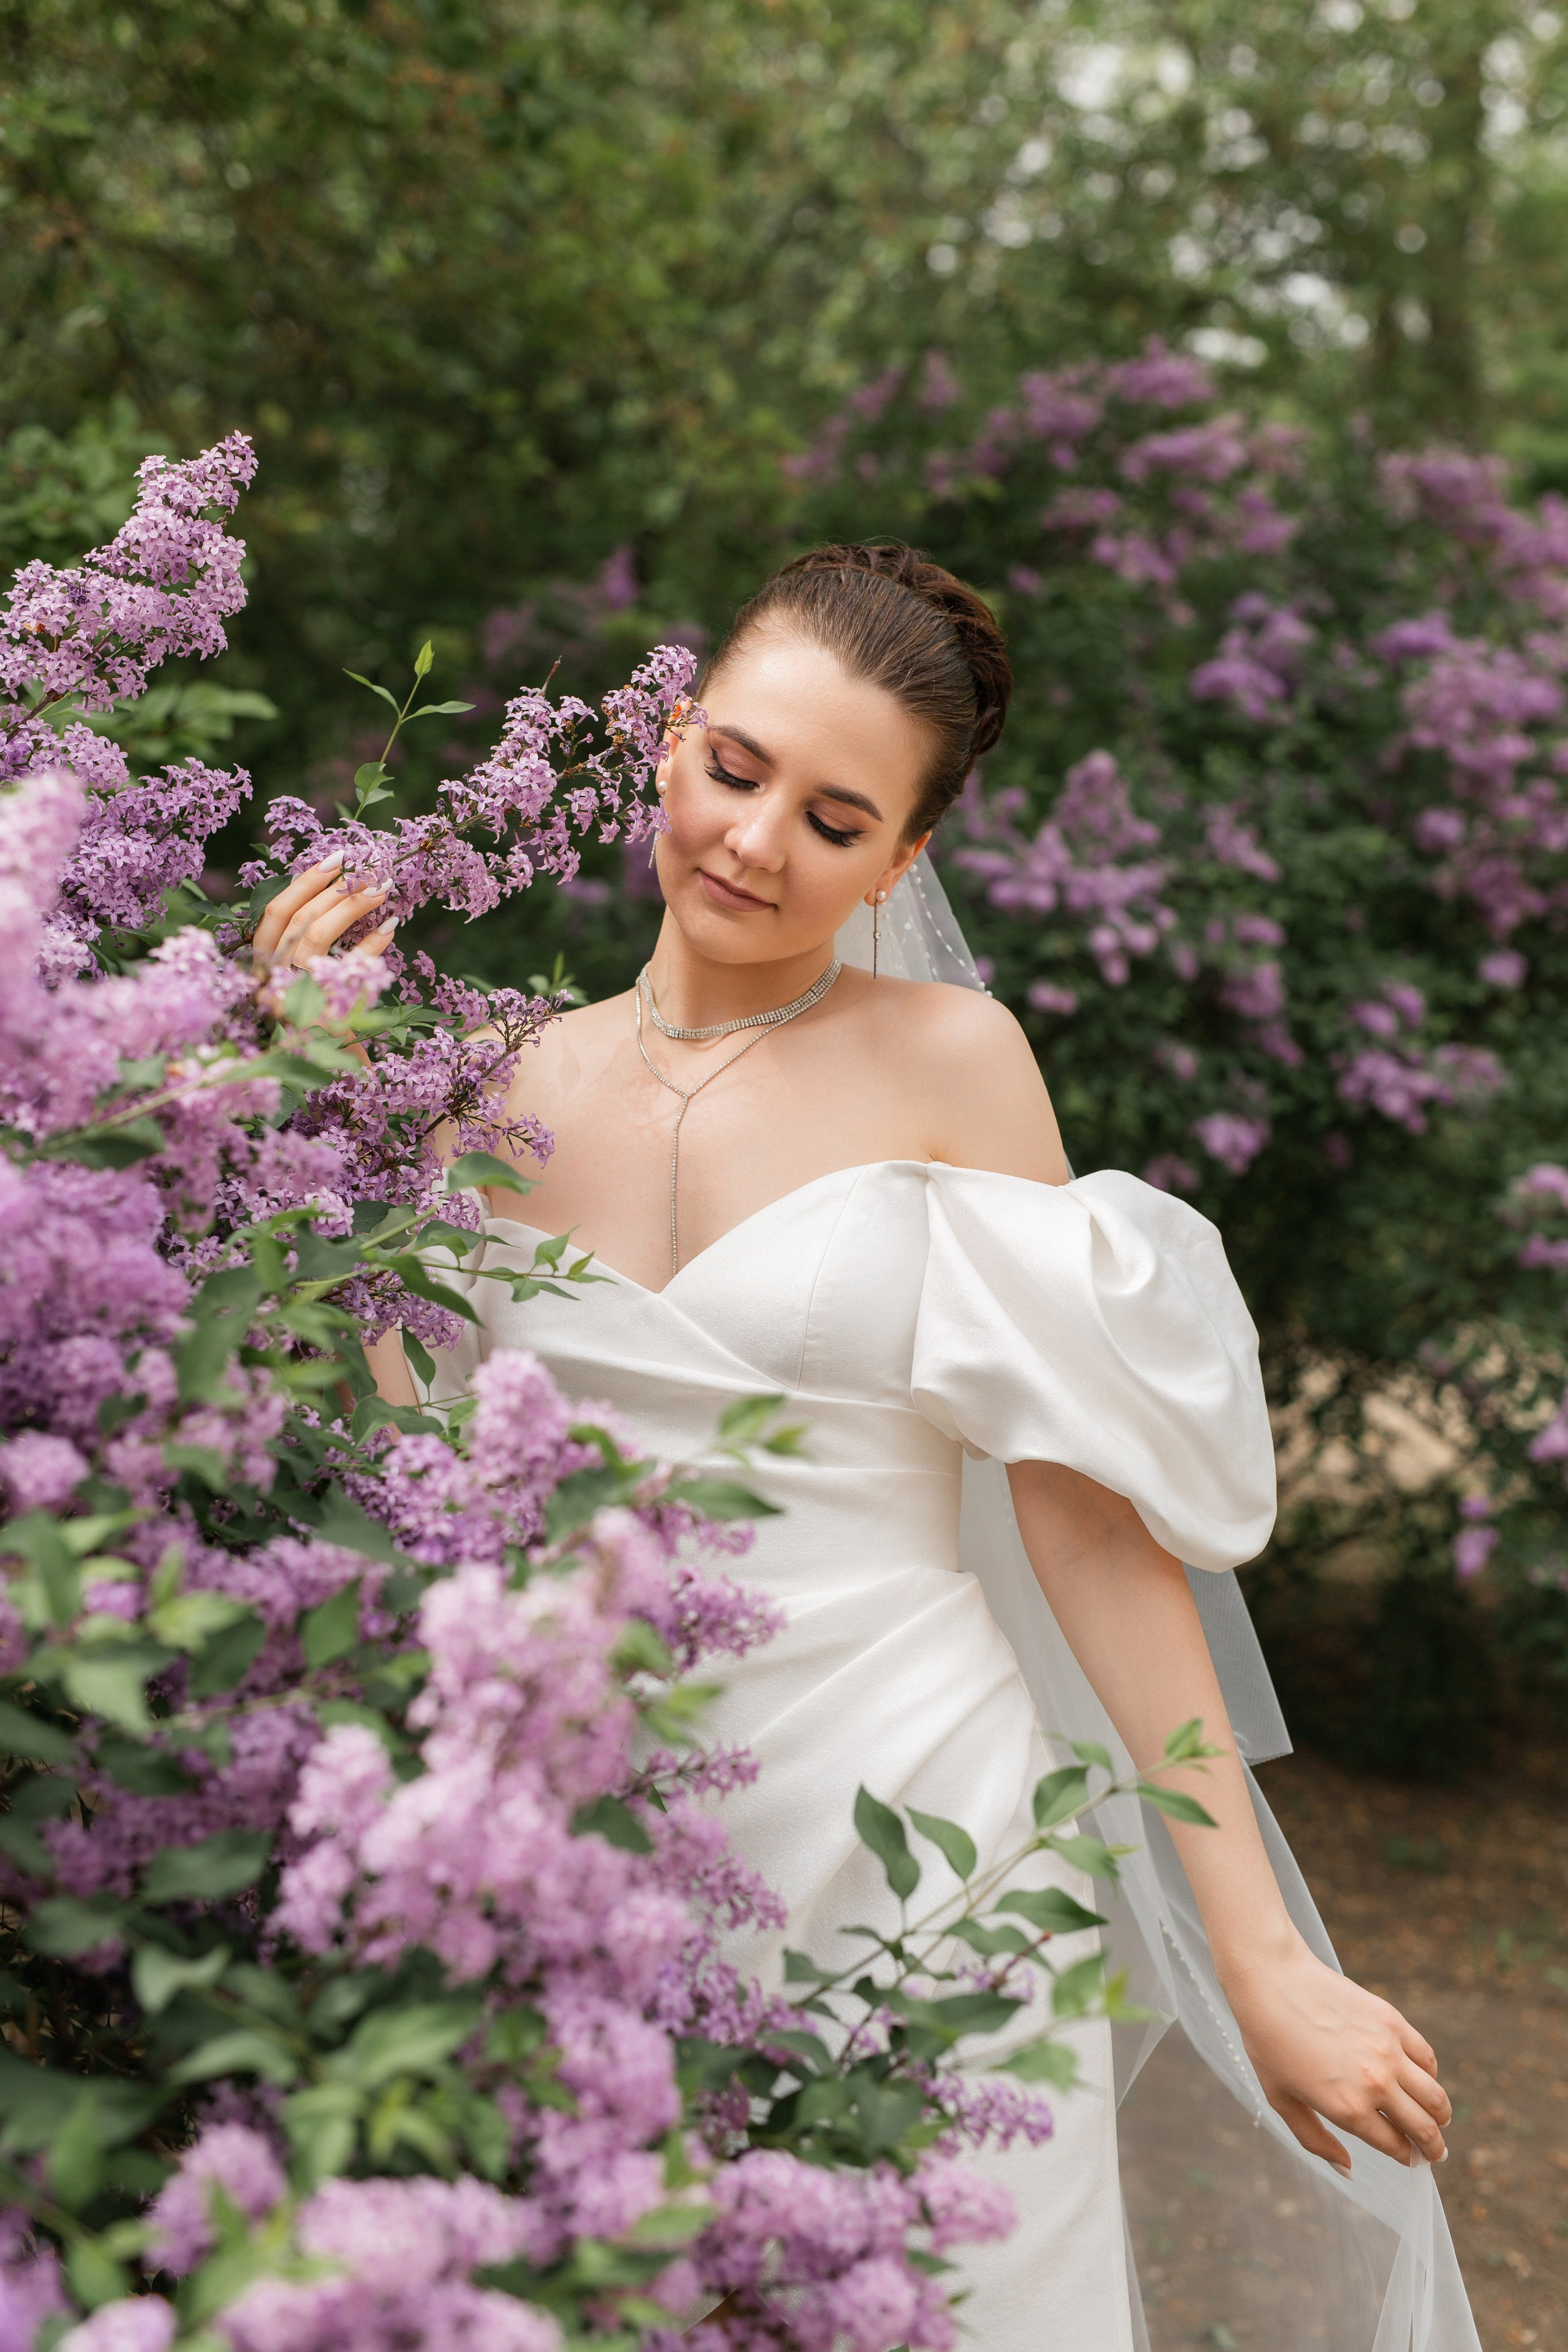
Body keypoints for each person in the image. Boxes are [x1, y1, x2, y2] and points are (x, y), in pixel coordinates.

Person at [257, 545, 1479, 2350]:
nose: (755, 845)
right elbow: (417, 1466)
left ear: (904, 861)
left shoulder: (953, 1063)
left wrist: (1265, 1951)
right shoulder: (492, 1087)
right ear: (670, 745)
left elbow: (1082, 1530)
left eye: (835, 821)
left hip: (928, 1832)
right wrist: (316, 1100)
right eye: (735, 771)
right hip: (585, 1826)